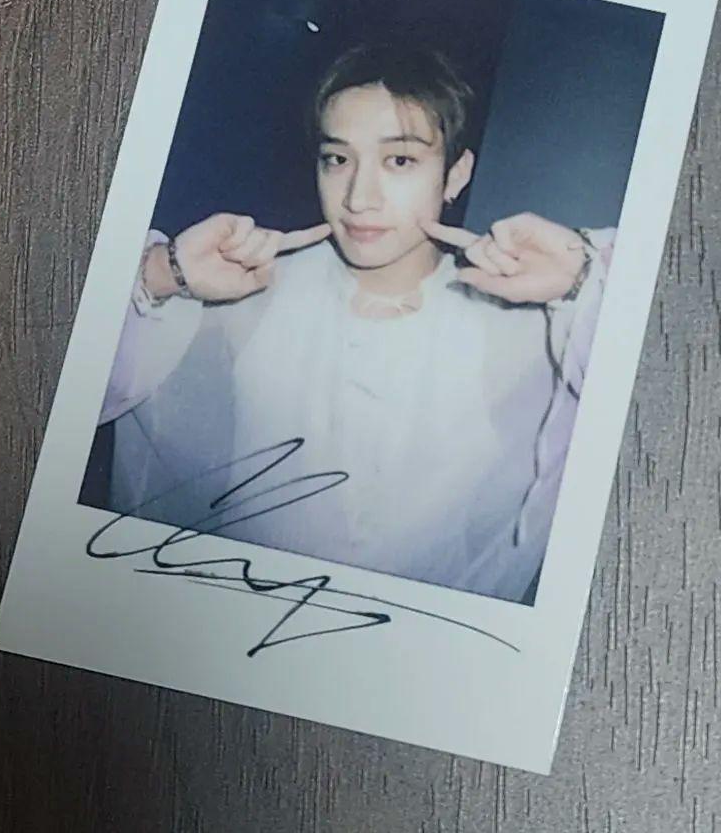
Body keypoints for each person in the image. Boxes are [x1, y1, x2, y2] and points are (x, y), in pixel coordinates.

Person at [94, 43, 615, 603]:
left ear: (456, 173)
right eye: (337, 160)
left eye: (400, 161)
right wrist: (161, 273)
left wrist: (582, 275)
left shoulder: (519, 327)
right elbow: (75, 394)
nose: (359, 199)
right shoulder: (251, 290)